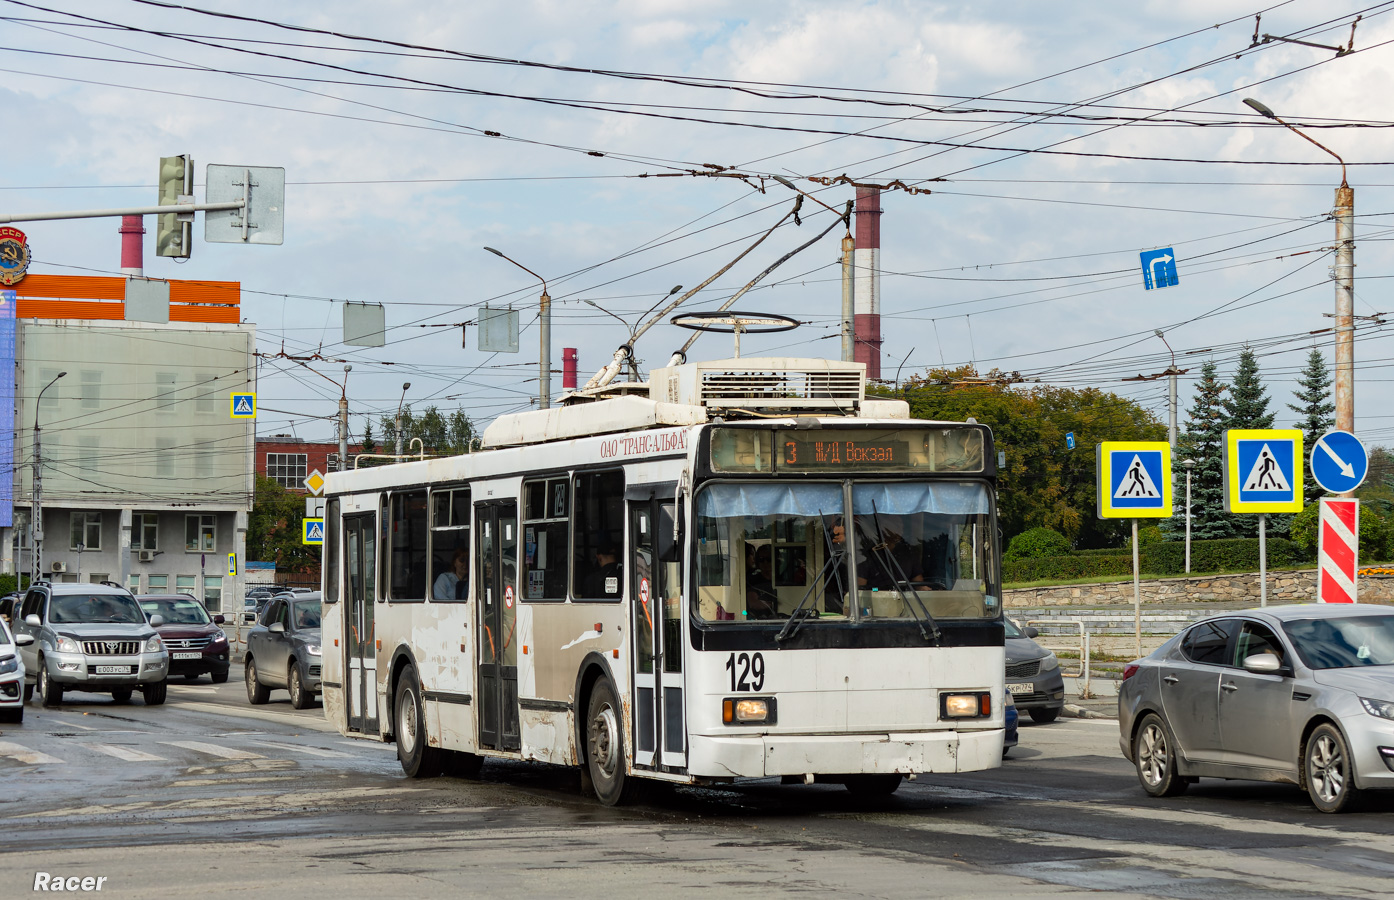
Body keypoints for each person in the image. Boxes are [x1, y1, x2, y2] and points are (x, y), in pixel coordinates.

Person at [745, 544, 778, 619]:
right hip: (761, 622)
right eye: (761, 560)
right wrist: (773, 604)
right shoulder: (752, 580)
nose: (765, 563)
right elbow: (753, 603)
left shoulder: (784, 578)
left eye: (769, 559)